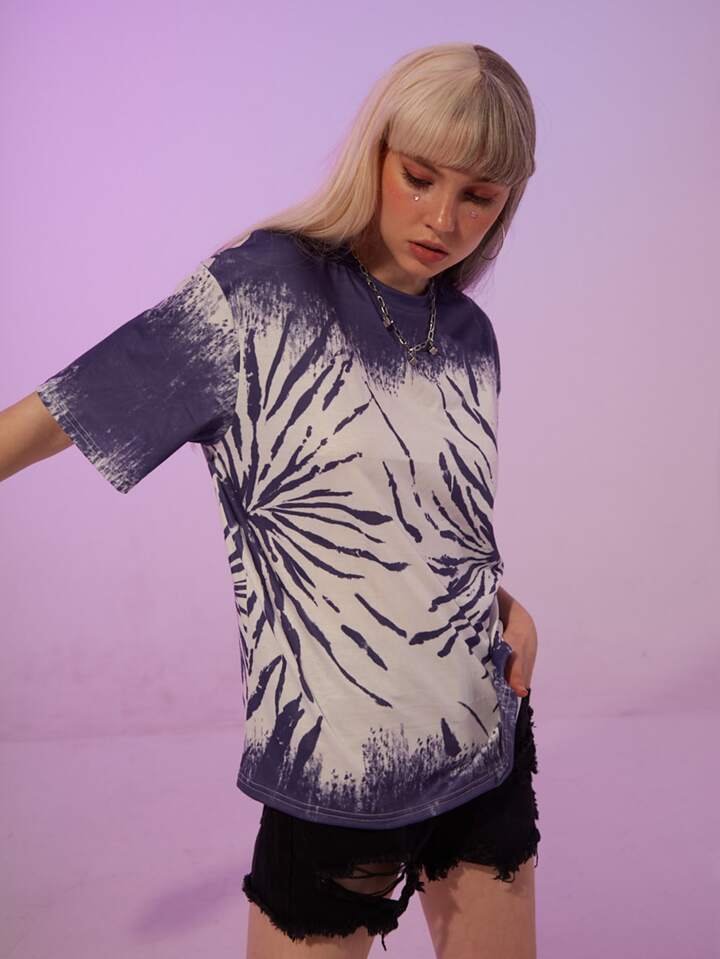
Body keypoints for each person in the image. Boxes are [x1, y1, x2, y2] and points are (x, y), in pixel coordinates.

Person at [1, 41, 540, 959]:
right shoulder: (261, 291)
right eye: (419, 177)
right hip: (332, 765)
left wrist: (503, 604)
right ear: (374, 153)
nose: (443, 218)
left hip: (481, 737)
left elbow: (426, 522)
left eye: (479, 196)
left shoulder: (469, 336)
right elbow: (67, 408)